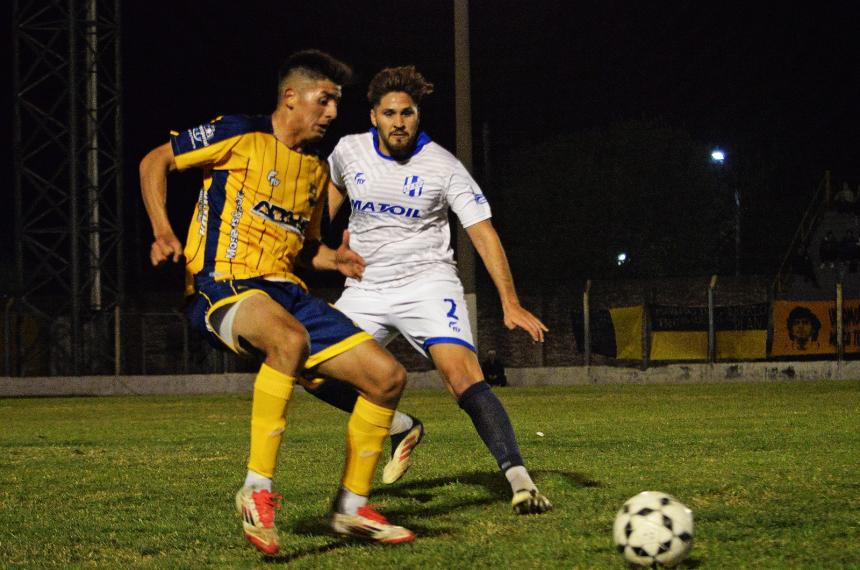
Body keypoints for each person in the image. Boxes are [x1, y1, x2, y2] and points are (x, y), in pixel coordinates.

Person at [139, 50, 416, 555]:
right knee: (288, 340)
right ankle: (257, 488)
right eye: (325, 99)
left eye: (336, 102)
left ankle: (351, 507)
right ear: (292, 97)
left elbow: (307, 250)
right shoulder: (240, 133)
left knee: (388, 378)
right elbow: (154, 160)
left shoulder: (313, 171)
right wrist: (162, 228)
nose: (332, 112)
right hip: (223, 285)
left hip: (288, 290)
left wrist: (339, 260)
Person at [311, 66, 552, 515]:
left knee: (463, 377)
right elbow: (320, 208)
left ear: (417, 116)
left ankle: (521, 482)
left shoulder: (443, 166)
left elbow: (482, 232)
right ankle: (401, 425)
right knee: (309, 365)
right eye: (389, 113)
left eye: (407, 112)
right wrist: (314, 250)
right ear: (373, 116)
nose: (398, 121)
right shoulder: (349, 151)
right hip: (366, 285)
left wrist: (510, 300)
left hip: (428, 283)